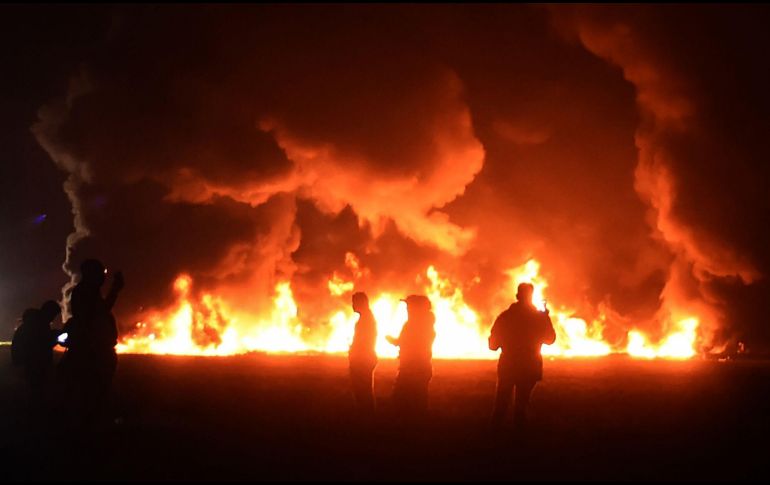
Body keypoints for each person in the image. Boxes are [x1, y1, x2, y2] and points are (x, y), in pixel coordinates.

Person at [58, 258, 124, 428]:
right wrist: (115, 290)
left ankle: (88, 423)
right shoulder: (86, 292)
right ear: (91, 274)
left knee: (91, 389)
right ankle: (89, 426)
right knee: (93, 389)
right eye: (101, 273)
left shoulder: (89, 291)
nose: (103, 277)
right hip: (92, 350)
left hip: (93, 349)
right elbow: (98, 313)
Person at [488, 282, 556, 433]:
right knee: (522, 405)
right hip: (530, 366)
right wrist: (545, 318)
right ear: (531, 297)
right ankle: (520, 439)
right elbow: (550, 339)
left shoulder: (505, 317)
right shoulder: (538, 318)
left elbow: (492, 345)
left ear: (517, 296)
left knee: (501, 404)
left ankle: (493, 436)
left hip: (509, 365)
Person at [386, 295, 436, 418]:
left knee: (405, 400)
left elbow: (407, 342)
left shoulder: (414, 325)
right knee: (417, 400)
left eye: (409, 306)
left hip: (412, 368)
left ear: (416, 308)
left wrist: (392, 340)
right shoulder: (426, 324)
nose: (407, 309)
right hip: (419, 367)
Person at [11, 301, 62, 395]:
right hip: (35, 365)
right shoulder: (38, 324)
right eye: (53, 315)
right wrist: (54, 337)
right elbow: (40, 344)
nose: (53, 318)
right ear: (49, 312)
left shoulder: (34, 322)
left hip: (30, 364)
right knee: (37, 392)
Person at [349, 292, 378, 417]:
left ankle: (366, 416)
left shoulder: (366, 320)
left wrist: (355, 352)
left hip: (363, 359)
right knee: (362, 390)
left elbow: (364, 340)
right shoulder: (366, 318)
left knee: (363, 390)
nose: (353, 305)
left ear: (362, 303)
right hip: (363, 357)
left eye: (354, 302)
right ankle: (366, 415)